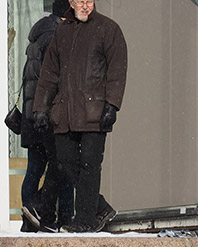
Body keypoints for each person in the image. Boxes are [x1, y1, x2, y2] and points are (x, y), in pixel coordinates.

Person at [32, 0, 127, 233]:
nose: (85, 6)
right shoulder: (62, 31)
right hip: (64, 112)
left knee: (90, 165)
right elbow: (49, 74)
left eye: (90, 1)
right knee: (64, 161)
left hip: (94, 111)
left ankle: (85, 219)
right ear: (71, 2)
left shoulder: (108, 28)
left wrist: (112, 105)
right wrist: (41, 108)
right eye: (81, 1)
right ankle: (100, 207)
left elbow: (117, 70)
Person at [20, 0, 74, 233]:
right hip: (47, 115)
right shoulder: (56, 35)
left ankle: (29, 218)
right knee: (62, 167)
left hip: (33, 115)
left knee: (35, 169)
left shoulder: (40, 33)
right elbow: (54, 79)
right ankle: (61, 219)